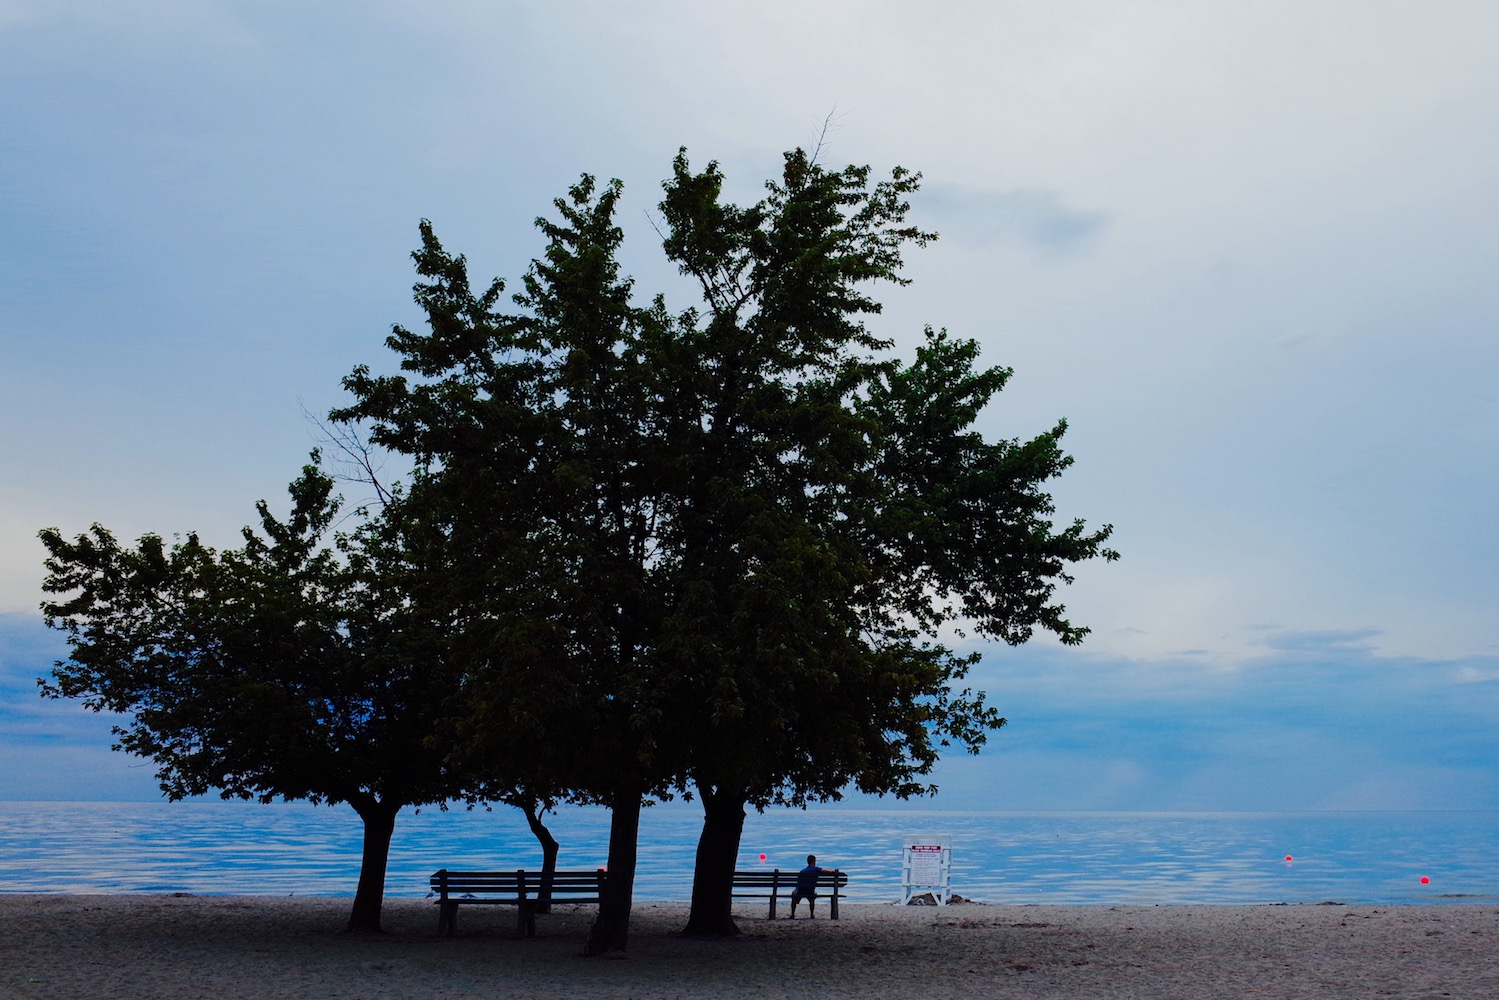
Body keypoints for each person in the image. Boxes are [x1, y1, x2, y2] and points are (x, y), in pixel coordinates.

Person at [788, 854, 837, 918]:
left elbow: (799, 883)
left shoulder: (802, 871)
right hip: (810, 891)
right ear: (814, 861)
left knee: (794, 895)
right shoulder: (816, 869)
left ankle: (792, 914)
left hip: (800, 891)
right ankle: (811, 914)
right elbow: (827, 871)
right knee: (812, 895)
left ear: (807, 861)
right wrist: (833, 871)